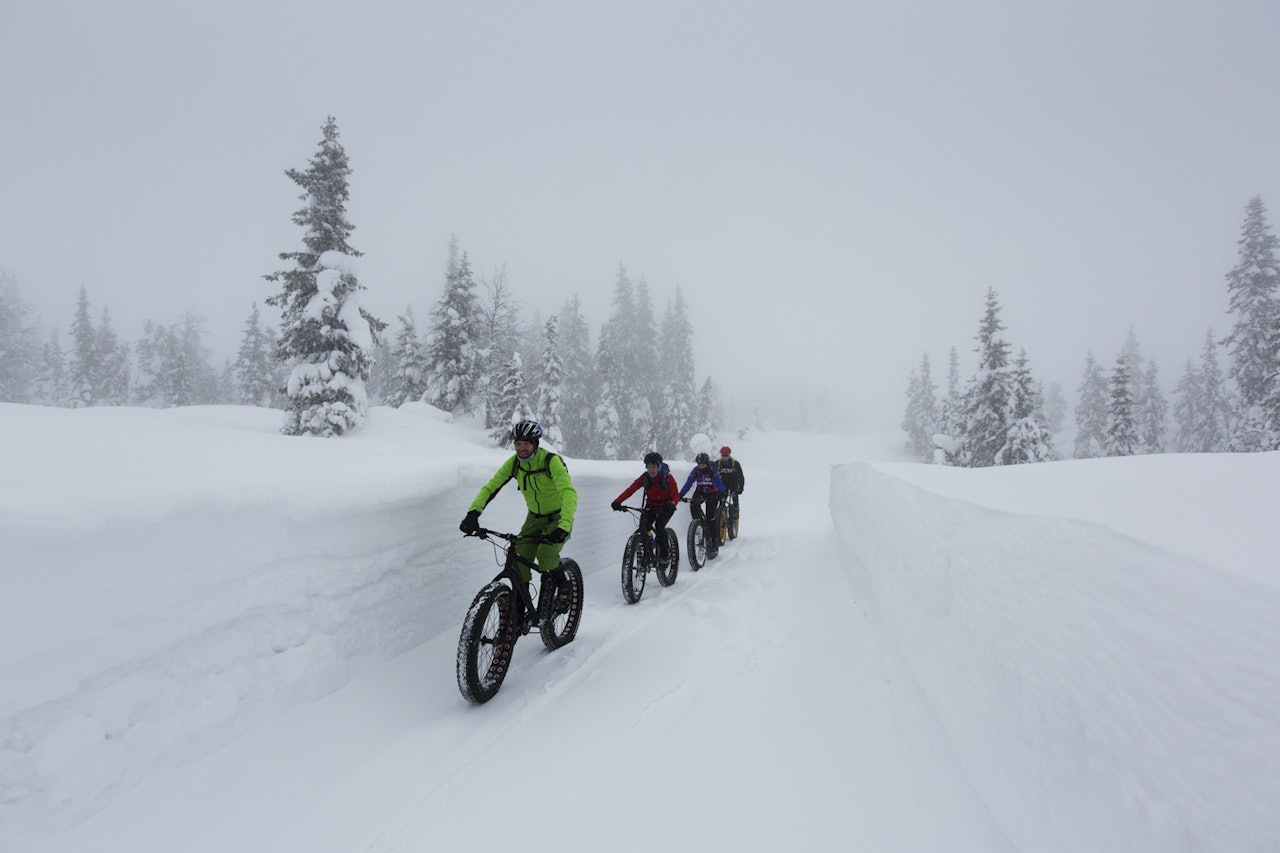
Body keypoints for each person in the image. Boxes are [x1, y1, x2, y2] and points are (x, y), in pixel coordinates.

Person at [459, 420, 578, 587]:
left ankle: (564, 588)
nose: (521, 449)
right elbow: (491, 487)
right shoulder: (514, 463)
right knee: (519, 557)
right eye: (518, 443)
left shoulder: (551, 461)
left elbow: (568, 493)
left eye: (527, 444)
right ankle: (521, 604)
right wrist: (473, 513)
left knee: (546, 554)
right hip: (534, 518)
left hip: (558, 517)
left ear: (536, 444)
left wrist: (564, 526)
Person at [611, 451, 681, 565]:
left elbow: (675, 494)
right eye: (649, 467)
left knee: (659, 526)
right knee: (643, 526)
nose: (651, 469)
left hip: (666, 505)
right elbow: (630, 490)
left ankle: (665, 556)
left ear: (659, 467)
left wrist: (673, 504)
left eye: (653, 467)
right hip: (651, 505)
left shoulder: (667, 477)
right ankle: (648, 548)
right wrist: (618, 501)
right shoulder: (645, 477)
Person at [679, 451, 725, 556]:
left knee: (711, 517)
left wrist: (721, 493)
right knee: (693, 505)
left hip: (712, 493)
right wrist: (680, 494)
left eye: (703, 464)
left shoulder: (713, 470)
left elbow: (718, 481)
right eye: (699, 465)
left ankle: (714, 544)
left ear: (707, 463)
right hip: (700, 492)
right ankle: (698, 524)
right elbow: (689, 483)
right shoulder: (696, 471)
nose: (701, 466)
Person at [716, 445, 745, 524]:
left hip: (734, 484)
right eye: (723, 455)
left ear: (729, 455)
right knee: (721, 500)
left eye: (726, 455)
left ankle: (735, 510)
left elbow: (741, 477)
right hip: (723, 484)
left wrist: (740, 487)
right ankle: (721, 513)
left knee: (734, 496)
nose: (724, 457)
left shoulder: (735, 464)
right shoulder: (718, 463)